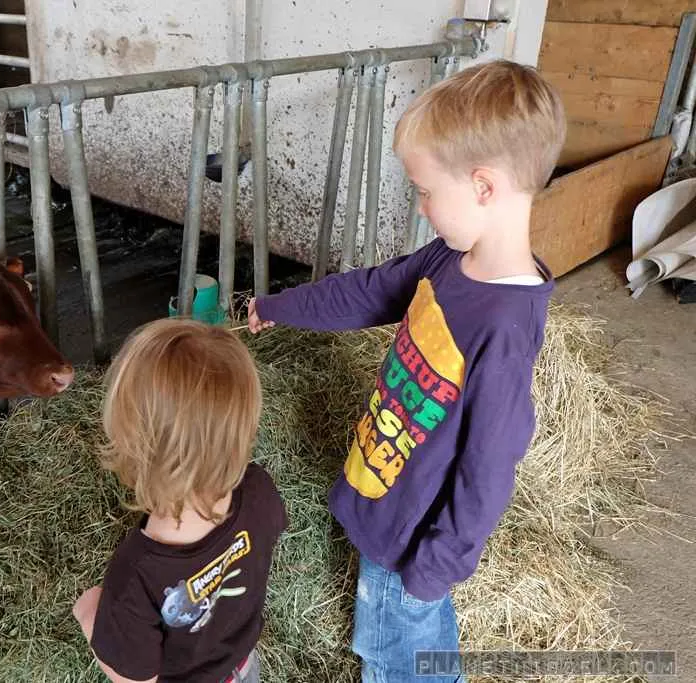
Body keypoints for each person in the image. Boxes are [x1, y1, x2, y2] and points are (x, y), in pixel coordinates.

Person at [246, 59, 566, 682]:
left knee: (395, 654)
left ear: (483, 187)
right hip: (387, 486)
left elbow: (488, 468)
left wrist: (435, 567)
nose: (420, 206)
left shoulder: (503, 324)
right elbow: (371, 292)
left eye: (424, 190)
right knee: (411, 647)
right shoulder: (452, 256)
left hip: (411, 539)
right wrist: (278, 307)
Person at [72, 318, 288, 683]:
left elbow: (136, 678)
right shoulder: (259, 491)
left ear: (137, 447)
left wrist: (90, 612)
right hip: (242, 668)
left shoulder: (137, 573)